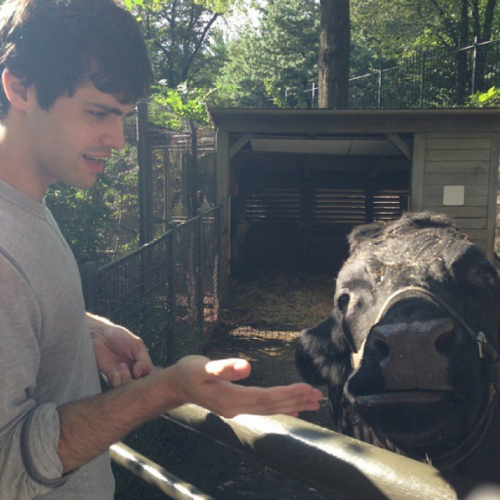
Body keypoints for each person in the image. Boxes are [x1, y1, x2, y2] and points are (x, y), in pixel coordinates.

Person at [0, 0, 323, 499]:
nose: (120, 139)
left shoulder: (29, 209)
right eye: (99, 112)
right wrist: (167, 390)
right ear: (20, 87)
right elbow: (7, 469)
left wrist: (79, 325)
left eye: (124, 116)